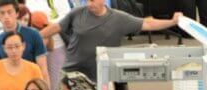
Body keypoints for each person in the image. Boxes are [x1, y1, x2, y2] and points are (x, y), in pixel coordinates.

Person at [40, 0, 181, 83]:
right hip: (71, 70)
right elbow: (55, 28)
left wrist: (172, 22)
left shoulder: (118, 18)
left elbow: (148, 24)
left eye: (93, 0)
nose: (89, 4)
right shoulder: (77, 13)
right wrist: (32, 36)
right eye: (88, 0)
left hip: (98, 74)